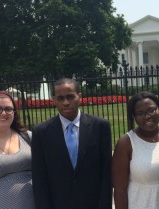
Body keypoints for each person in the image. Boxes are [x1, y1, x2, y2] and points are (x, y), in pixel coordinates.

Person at [31, 78, 112, 209]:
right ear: (54, 99)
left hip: (93, 203)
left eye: (70, 97)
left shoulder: (100, 127)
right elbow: (40, 177)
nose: (66, 102)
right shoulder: (41, 132)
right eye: (60, 98)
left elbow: (106, 172)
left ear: (79, 97)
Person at [112, 91, 159, 209]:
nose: (147, 116)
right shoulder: (126, 143)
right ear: (134, 117)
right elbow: (120, 190)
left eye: (151, 110)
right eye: (140, 113)